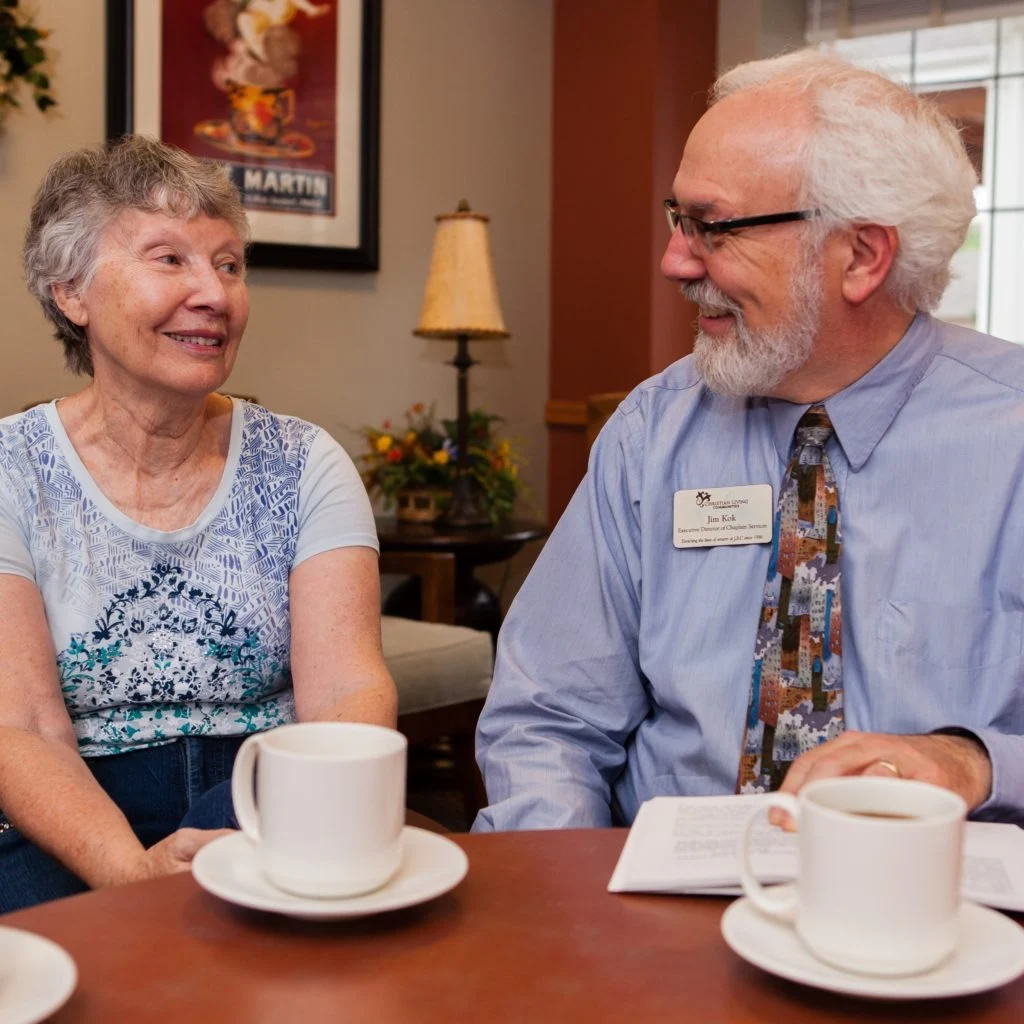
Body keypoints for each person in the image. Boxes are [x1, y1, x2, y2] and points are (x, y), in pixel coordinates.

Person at [475, 49, 1024, 832]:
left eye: (714, 228)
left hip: (936, 914)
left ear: (863, 255)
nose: (673, 261)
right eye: (678, 220)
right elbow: (546, 720)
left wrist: (976, 763)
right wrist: (573, 910)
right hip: (661, 916)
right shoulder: (651, 432)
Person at [0, 135, 396, 912]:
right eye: (169, 259)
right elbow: (24, 727)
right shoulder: (10, 471)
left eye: (229, 264)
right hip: (66, 812)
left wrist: (299, 810)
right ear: (70, 292)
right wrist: (131, 874)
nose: (215, 295)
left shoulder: (303, 464)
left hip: (256, 790)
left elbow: (347, 691)